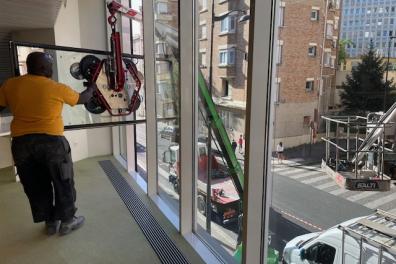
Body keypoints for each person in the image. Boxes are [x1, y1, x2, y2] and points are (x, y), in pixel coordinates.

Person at [0, 52, 96, 236]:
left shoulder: (10, 85)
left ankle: (50, 222)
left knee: (35, 184)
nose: (52, 68)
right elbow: (82, 99)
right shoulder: (55, 87)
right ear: (42, 68)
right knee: (63, 180)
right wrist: (92, 87)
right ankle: (67, 221)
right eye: (50, 65)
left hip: (21, 144)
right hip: (51, 142)